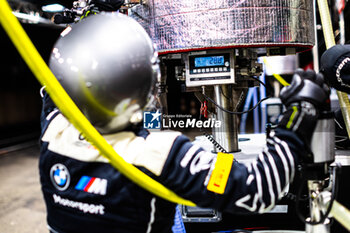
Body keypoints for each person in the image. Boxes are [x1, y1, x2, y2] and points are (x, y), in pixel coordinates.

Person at [39, 13, 329, 233]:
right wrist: (299, 113)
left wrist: (89, 19)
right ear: (148, 82)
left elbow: (56, 88)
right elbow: (259, 190)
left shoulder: (52, 129)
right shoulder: (158, 154)